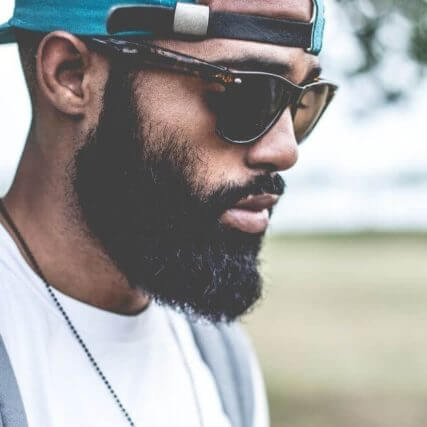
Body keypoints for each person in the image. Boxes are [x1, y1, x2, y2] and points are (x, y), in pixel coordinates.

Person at [0, 0, 336, 426]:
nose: (286, 151)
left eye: (301, 102)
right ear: (71, 75)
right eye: (248, 93)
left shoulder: (222, 362)